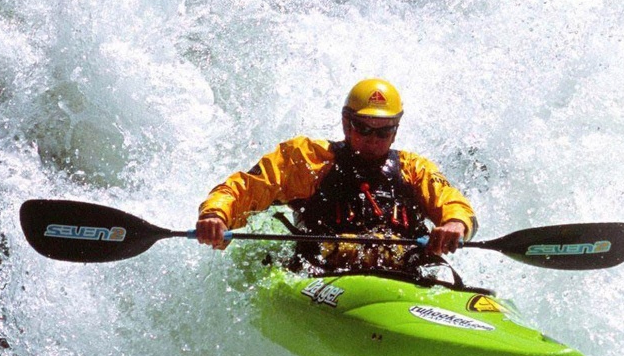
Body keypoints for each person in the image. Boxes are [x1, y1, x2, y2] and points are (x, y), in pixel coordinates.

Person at [195, 79, 476, 273]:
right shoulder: (307, 159)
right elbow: (242, 189)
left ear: (396, 129)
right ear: (346, 122)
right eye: (363, 128)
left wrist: (454, 225)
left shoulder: (414, 169)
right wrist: (216, 216)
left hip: (406, 274)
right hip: (323, 274)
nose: (373, 140)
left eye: (383, 131)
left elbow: (454, 205)